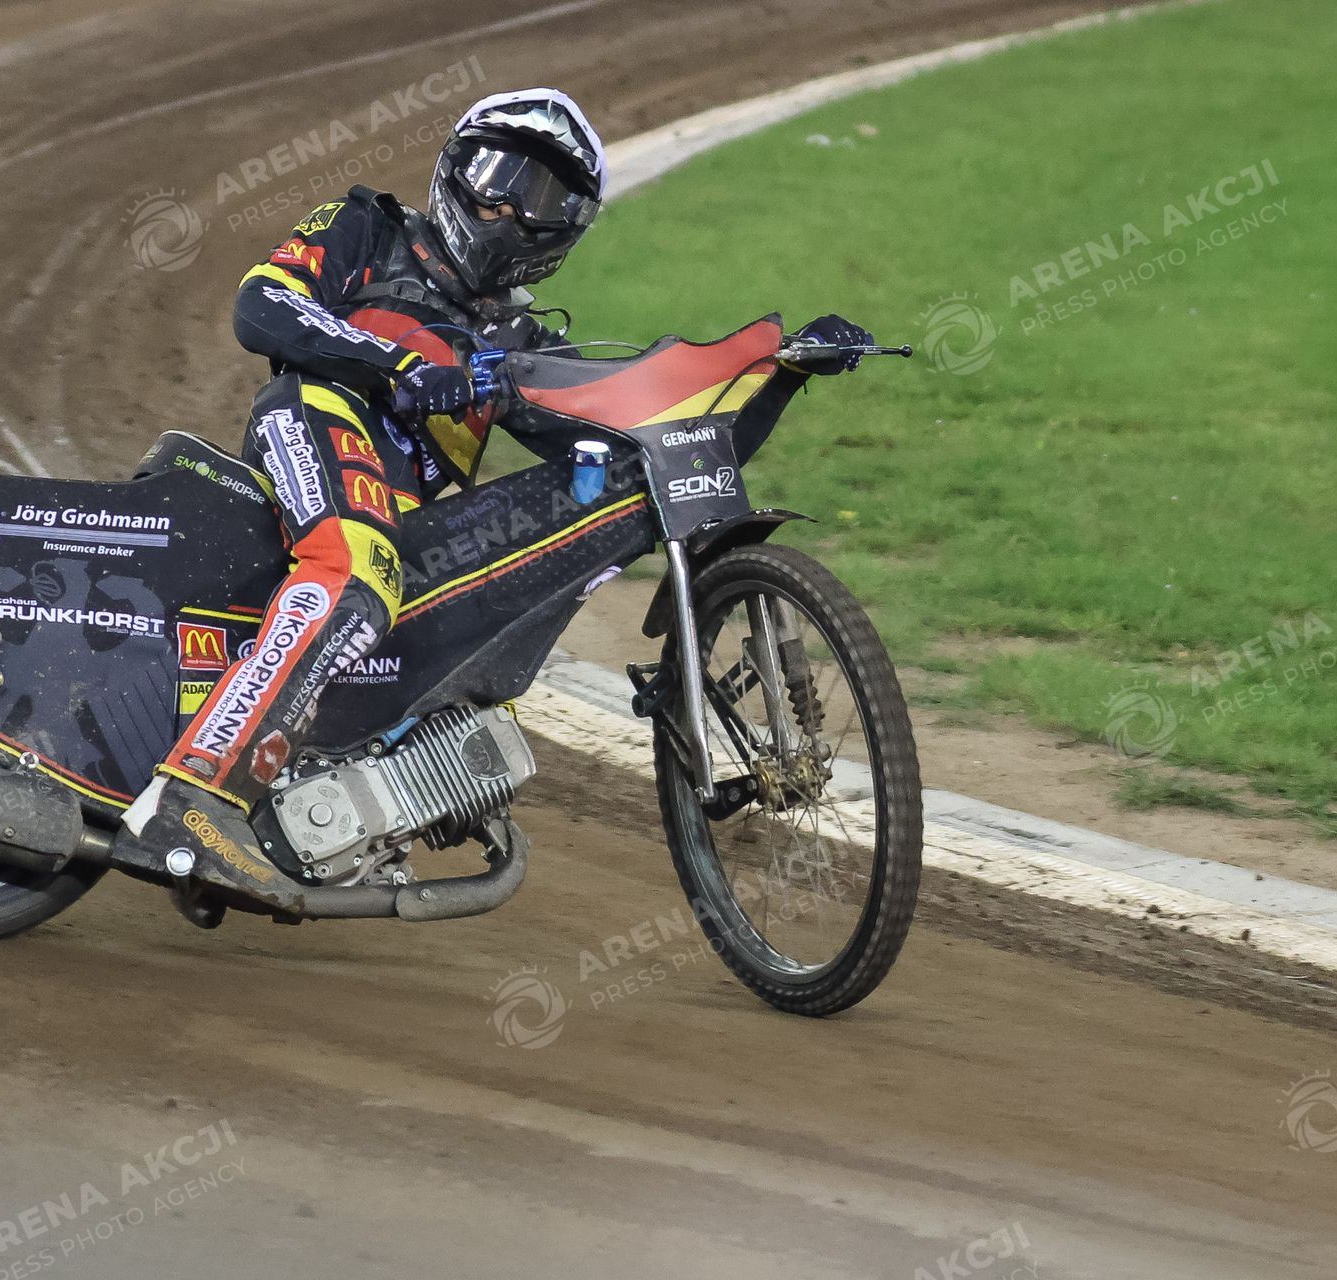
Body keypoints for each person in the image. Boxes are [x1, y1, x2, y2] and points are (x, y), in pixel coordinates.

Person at [122, 87, 870, 897]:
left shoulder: (519, 344)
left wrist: (781, 376)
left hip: (403, 524)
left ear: (567, 229)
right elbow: (262, 305)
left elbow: (658, 443)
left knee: (459, 672)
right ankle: (192, 797)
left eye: (540, 197)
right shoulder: (366, 227)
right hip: (311, 419)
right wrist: (400, 366)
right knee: (357, 571)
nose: (509, 207)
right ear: (454, 168)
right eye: (496, 177)